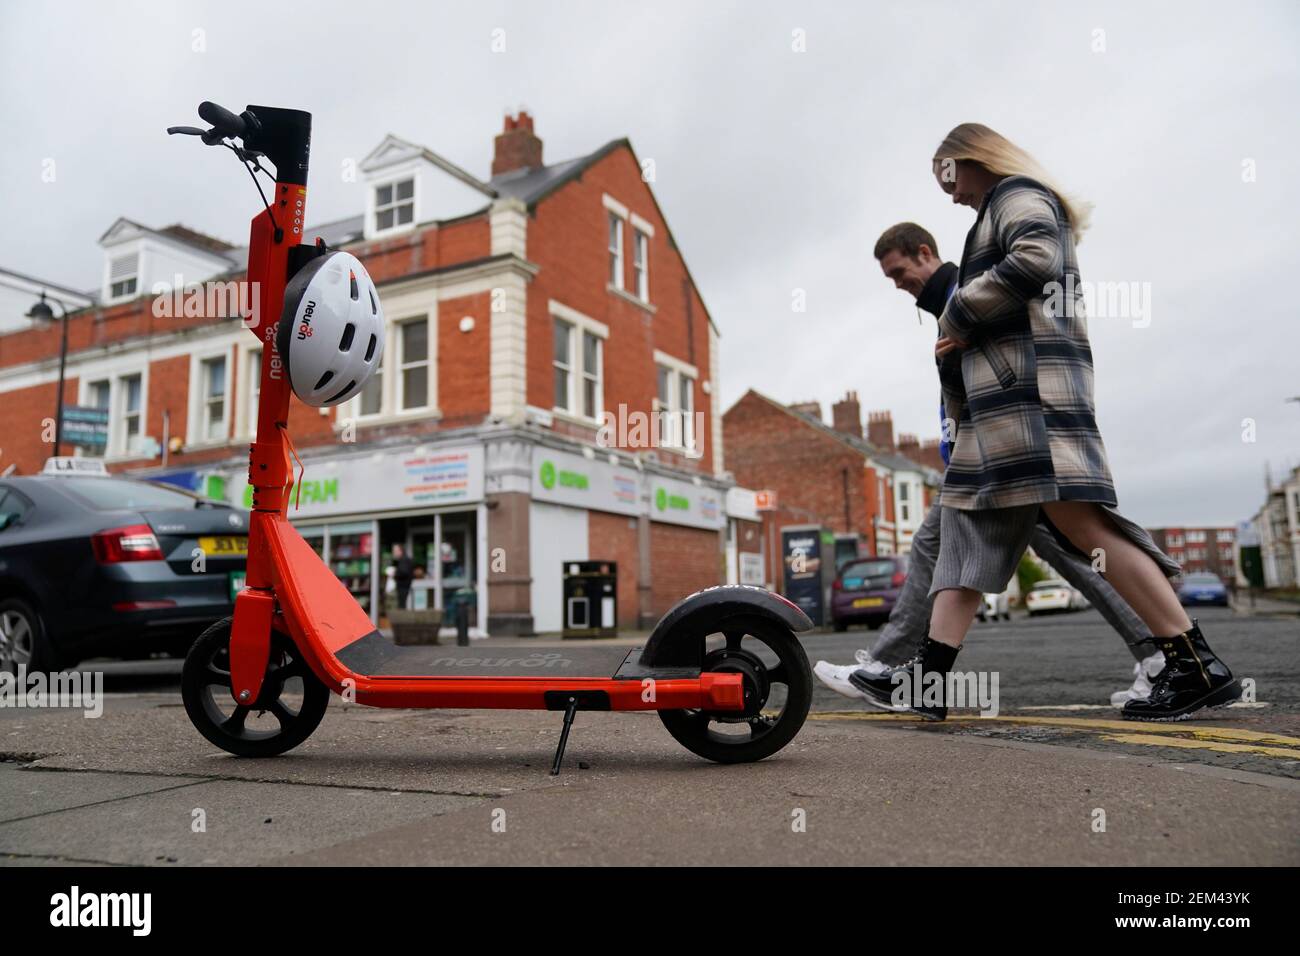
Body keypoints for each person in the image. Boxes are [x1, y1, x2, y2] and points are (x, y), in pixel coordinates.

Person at [852, 124, 1240, 722]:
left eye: (949, 179)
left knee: (1087, 529)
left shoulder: (1018, 195)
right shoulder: (998, 207)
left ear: (974, 159)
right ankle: (930, 679)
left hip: (1031, 396)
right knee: (964, 531)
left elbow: (1036, 259)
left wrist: (958, 313)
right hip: (1004, 405)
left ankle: (1192, 662)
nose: (950, 195)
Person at [813, 223, 1165, 709]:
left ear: (924, 253)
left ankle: (897, 673)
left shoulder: (967, 293)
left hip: (1003, 454)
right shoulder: (947, 305)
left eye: (899, 272)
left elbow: (1006, 359)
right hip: (987, 455)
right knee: (1060, 557)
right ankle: (1160, 655)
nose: (897, 284)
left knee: (1053, 555)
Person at [391, 542, 414, 611]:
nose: (394, 553)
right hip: (404, 586)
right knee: (402, 605)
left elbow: (404, 572)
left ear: (400, 551)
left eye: (395, 551)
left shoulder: (404, 560)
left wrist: (395, 574)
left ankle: (402, 620)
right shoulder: (403, 560)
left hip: (403, 587)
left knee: (402, 606)